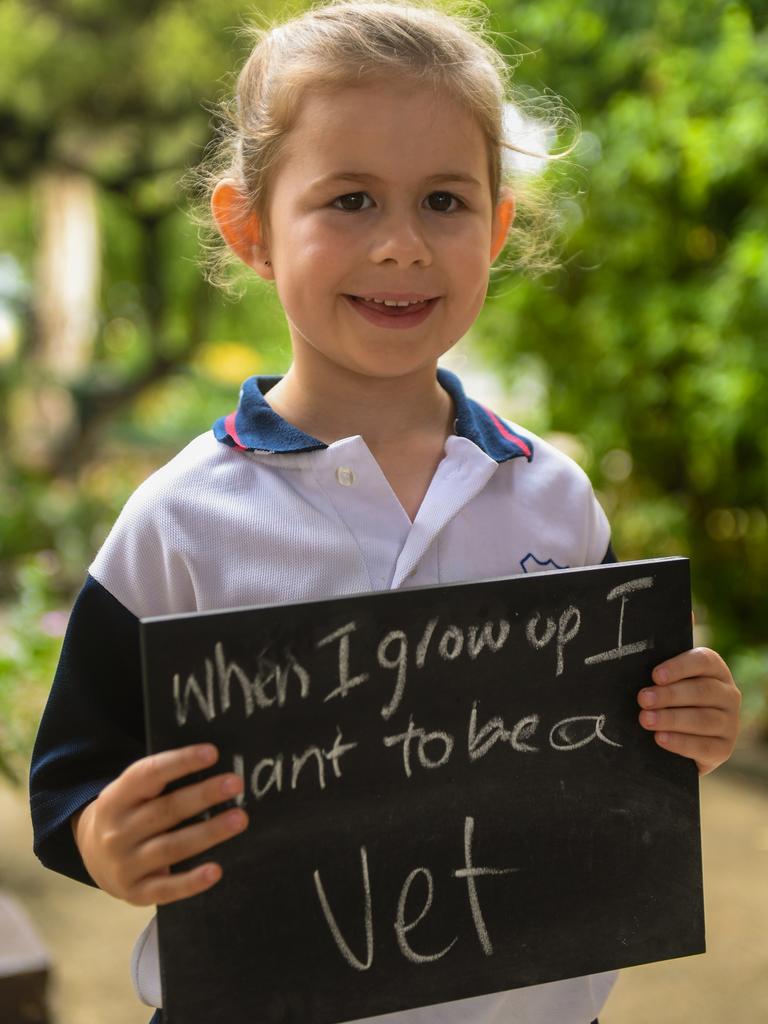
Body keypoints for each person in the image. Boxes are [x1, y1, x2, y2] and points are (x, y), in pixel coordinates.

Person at [29, 2, 741, 1023]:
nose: (403, 245)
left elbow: (619, 743)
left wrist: (689, 725)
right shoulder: (180, 517)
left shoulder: (555, 495)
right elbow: (70, 782)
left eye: (445, 201)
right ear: (251, 229)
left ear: (496, 227)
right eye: (351, 199)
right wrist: (105, 837)